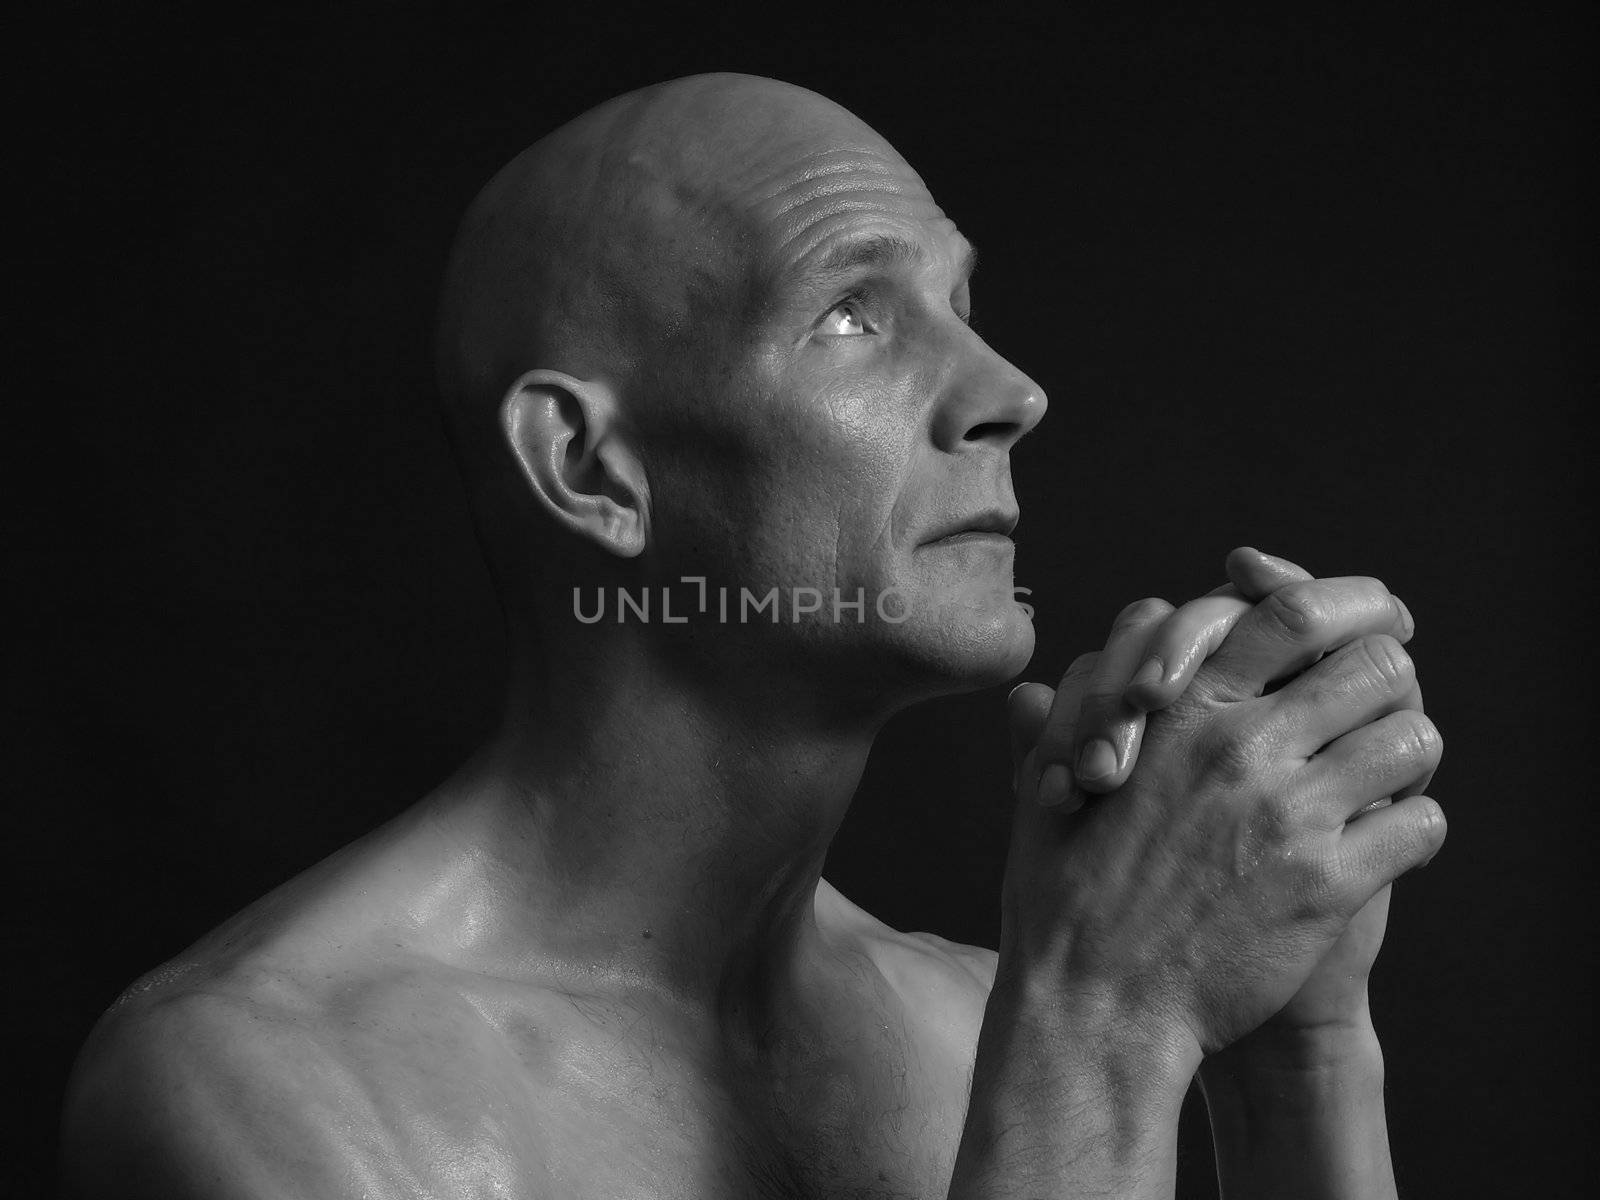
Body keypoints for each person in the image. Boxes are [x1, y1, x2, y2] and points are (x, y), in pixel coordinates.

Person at [59, 73, 1444, 1199]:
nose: (1009, 391)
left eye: (962, 307)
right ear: (591, 469)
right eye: (853, 314)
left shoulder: (980, 1030)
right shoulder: (273, 1093)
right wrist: (1106, 1028)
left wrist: (1297, 1057)